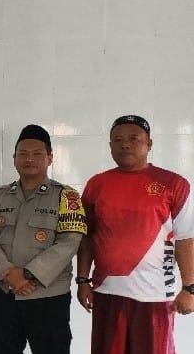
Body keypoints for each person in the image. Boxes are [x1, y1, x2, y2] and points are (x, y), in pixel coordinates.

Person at [77, 115, 194, 354]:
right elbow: (86, 237)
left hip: (154, 295)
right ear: (110, 145)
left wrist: (189, 288)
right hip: (107, 291)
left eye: (134, 139)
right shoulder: (96, 184)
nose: (125, 145)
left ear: (149, 143)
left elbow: (186, 239)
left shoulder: (174, 184)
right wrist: (82, 280)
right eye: (118, 140)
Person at [0, 125, 85, 354]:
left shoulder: (66, 196)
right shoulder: (0, 196)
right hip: (6, 295)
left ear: (50, 158)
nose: (29, 159)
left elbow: (69, 242)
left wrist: (28, 275)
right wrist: (9, 274)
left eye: (37, 153)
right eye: (23, 153)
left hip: (48, 299)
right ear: (14, 158)